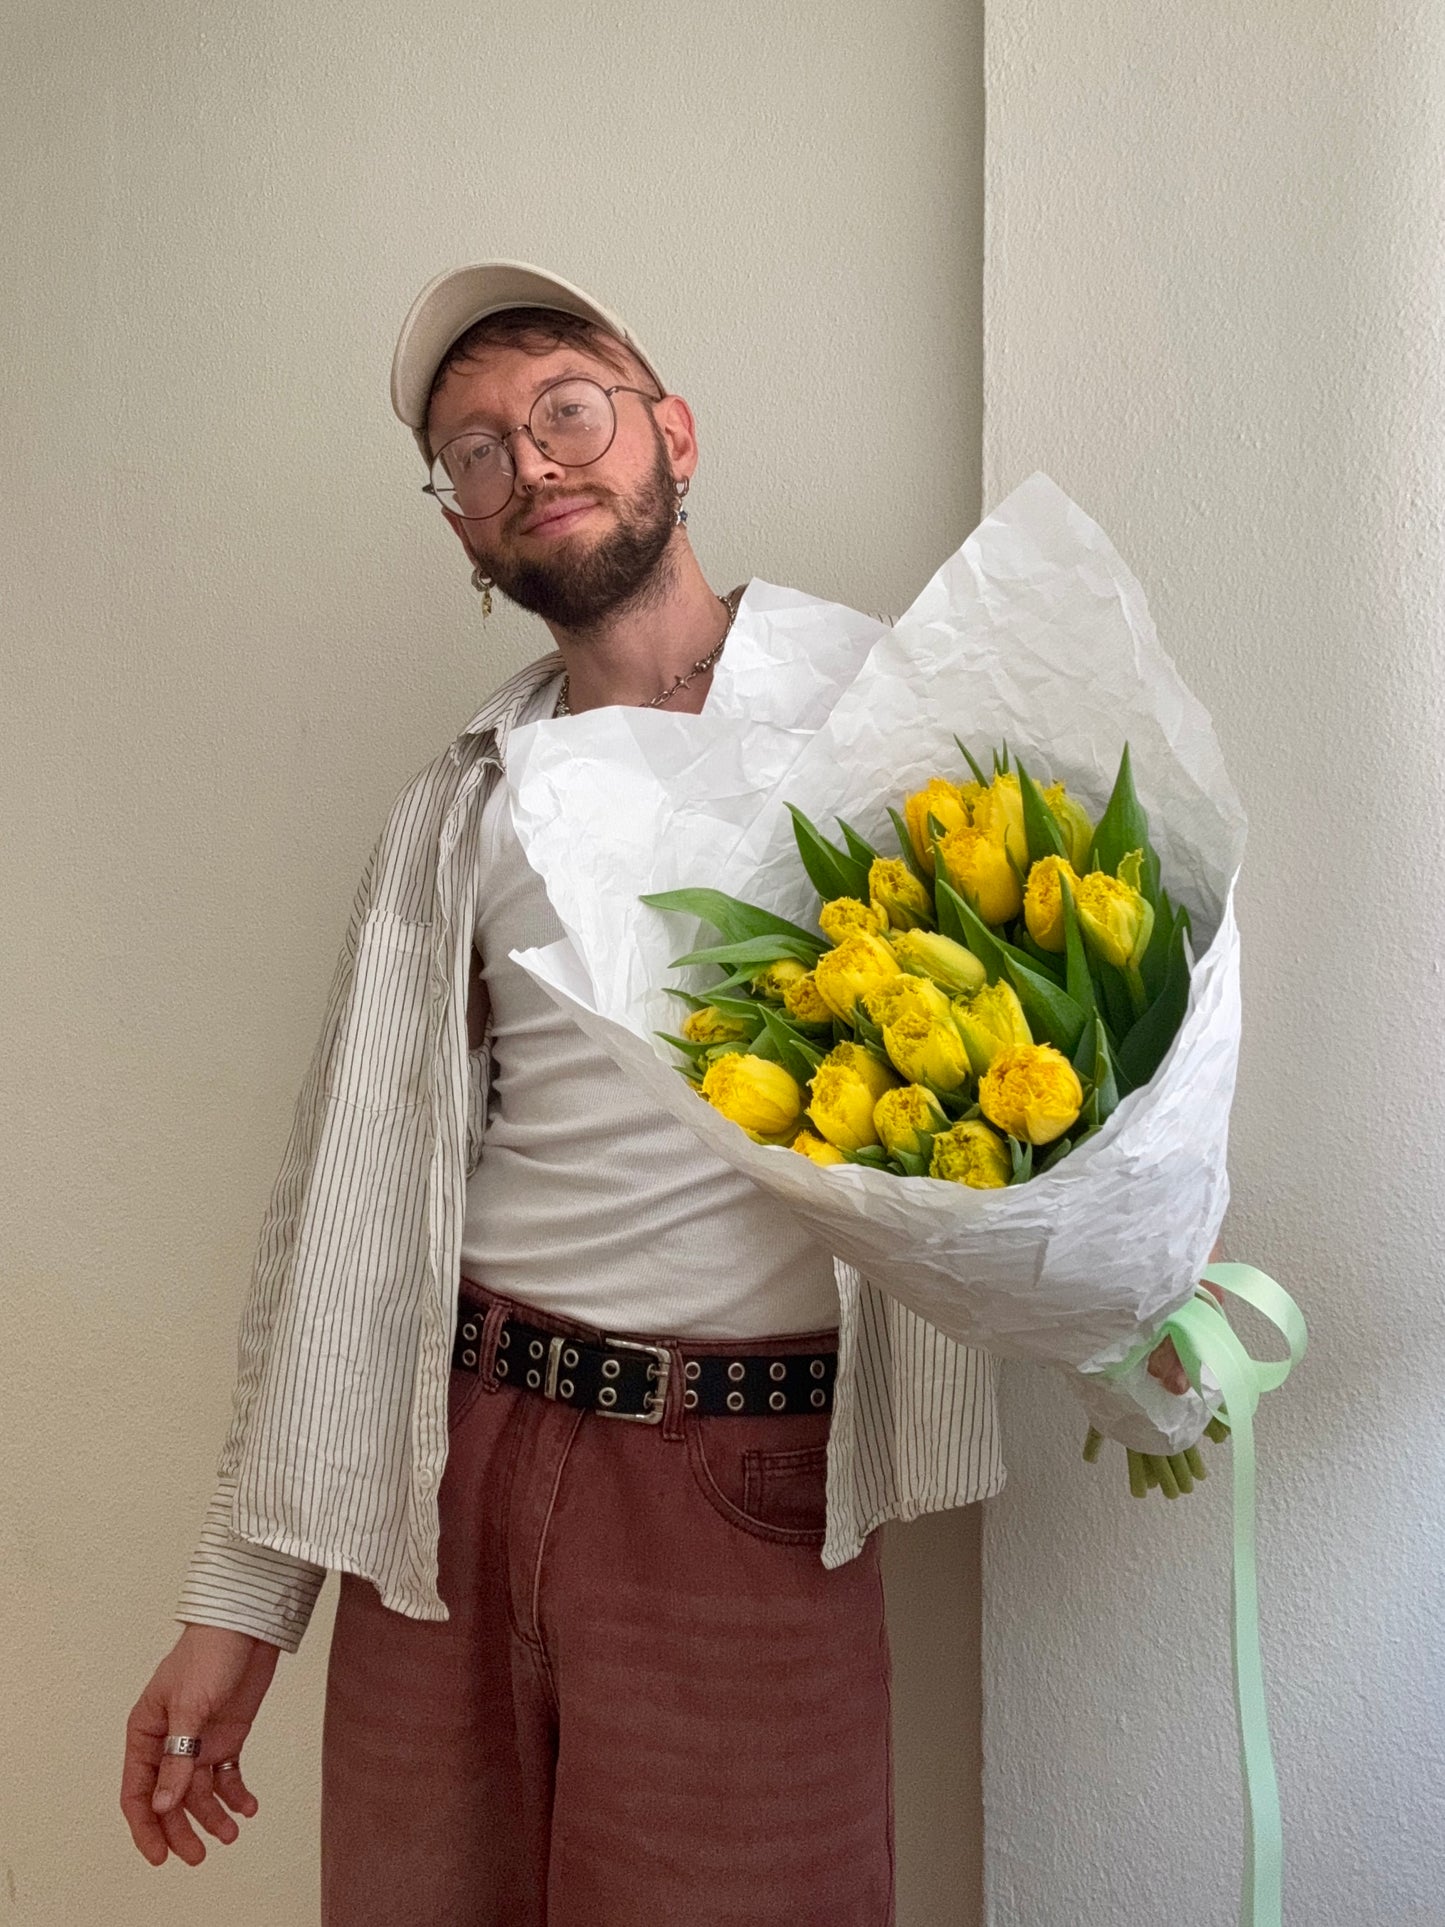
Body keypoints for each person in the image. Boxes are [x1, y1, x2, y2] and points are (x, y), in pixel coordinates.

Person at [120, 260, 1199, 1923]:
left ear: (667, 432)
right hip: (448, 1475)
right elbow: (336, 1223)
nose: (530, 460)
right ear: (462, 529)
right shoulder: (457, 807)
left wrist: (1136, 1313)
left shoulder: (897, 728)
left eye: (567, 406)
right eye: (472, 450)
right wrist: (240, 1603)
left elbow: (1073, 1073)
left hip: (742, 1491)